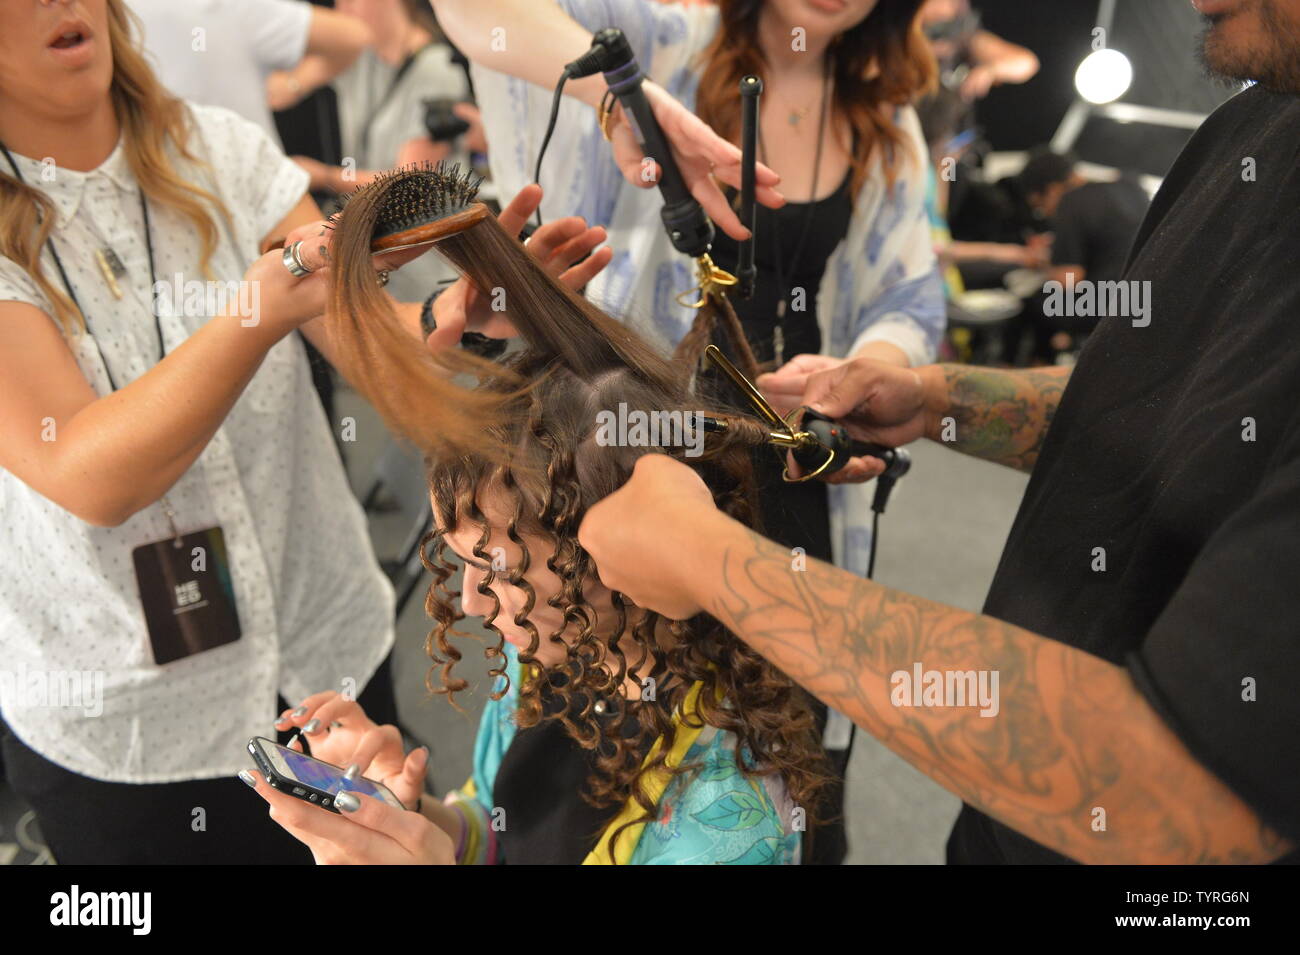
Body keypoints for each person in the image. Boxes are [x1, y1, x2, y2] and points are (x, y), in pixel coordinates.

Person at [574, 0, 1300, 864]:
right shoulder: (1253, 127)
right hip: (1006, 825)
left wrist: (711, 562)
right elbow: (1184, 401)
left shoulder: (889, 132)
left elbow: (1178, 794)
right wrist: (936, 395)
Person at [0, 0, 604, 864]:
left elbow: (361, 332)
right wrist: (264, 303)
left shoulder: (216, 148)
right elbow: (87, 470)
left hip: (322, 648)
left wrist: (454, 314)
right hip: (128, 723)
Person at [438, 0, 947, 864]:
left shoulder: (880, 116)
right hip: (624, 476)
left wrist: (850, 375)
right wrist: (620, 96)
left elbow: (908, 298)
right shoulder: (659, 43)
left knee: (764, 759)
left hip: (784, 488)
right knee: (585, 740)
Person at [245, 172, 829, 864]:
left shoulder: (729, 816)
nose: (467, 603)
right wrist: (410, 816)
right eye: (461, 564)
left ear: (613, 555)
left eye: (495, 567)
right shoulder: (548, 656)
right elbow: (491, 828)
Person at [129, 0, 370, 145]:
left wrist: (294, 84)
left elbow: (354, 36)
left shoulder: (110, 15)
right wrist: (295, 84)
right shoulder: (229, 7)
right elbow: (353, 36)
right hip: (256, 197)